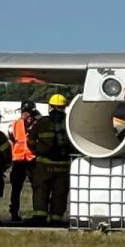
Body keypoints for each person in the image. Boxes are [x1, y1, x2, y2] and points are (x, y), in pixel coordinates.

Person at [27, 94, 75, 226]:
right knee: (60, 192)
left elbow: (30, 141)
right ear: (64, 107)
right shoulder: (70, 122)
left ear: (50, 106)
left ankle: (40, 217)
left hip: (44, 165)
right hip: (64, 165)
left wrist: (37, 151)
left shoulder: (42, 122)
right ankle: (56, 218)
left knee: (41, 190)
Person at [8, 101, 38, 222]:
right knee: (17, 189)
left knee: (35, 188)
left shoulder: (35, 125)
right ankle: (14, 213)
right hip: (21, 160)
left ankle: (37, 213)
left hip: (28, 159)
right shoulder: (15, 125)